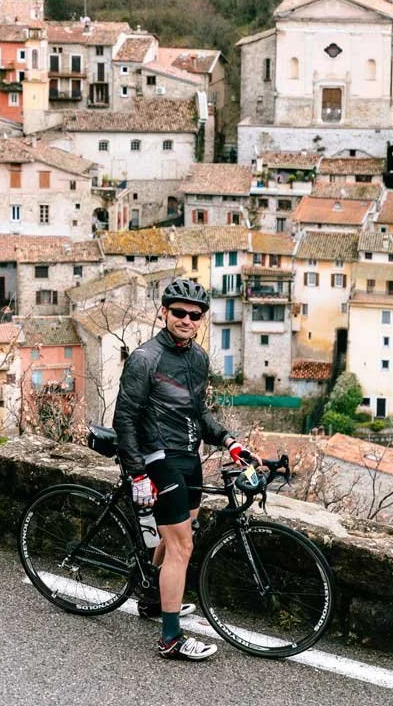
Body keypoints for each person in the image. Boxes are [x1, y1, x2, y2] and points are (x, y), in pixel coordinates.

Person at [112, 277, 254, 661]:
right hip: (157, 457)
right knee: (182, 545)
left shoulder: (198, 359)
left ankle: (151, 597)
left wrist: (228, 441)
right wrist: (138, 474)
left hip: (189, 456)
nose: (187, 320)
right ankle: (171, 639)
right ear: (164, 313)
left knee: (180, 534)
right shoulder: (145, 358)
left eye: (195, 315)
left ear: (201, 319)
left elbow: (198, 411)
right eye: (179, 313)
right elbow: (124, 420)